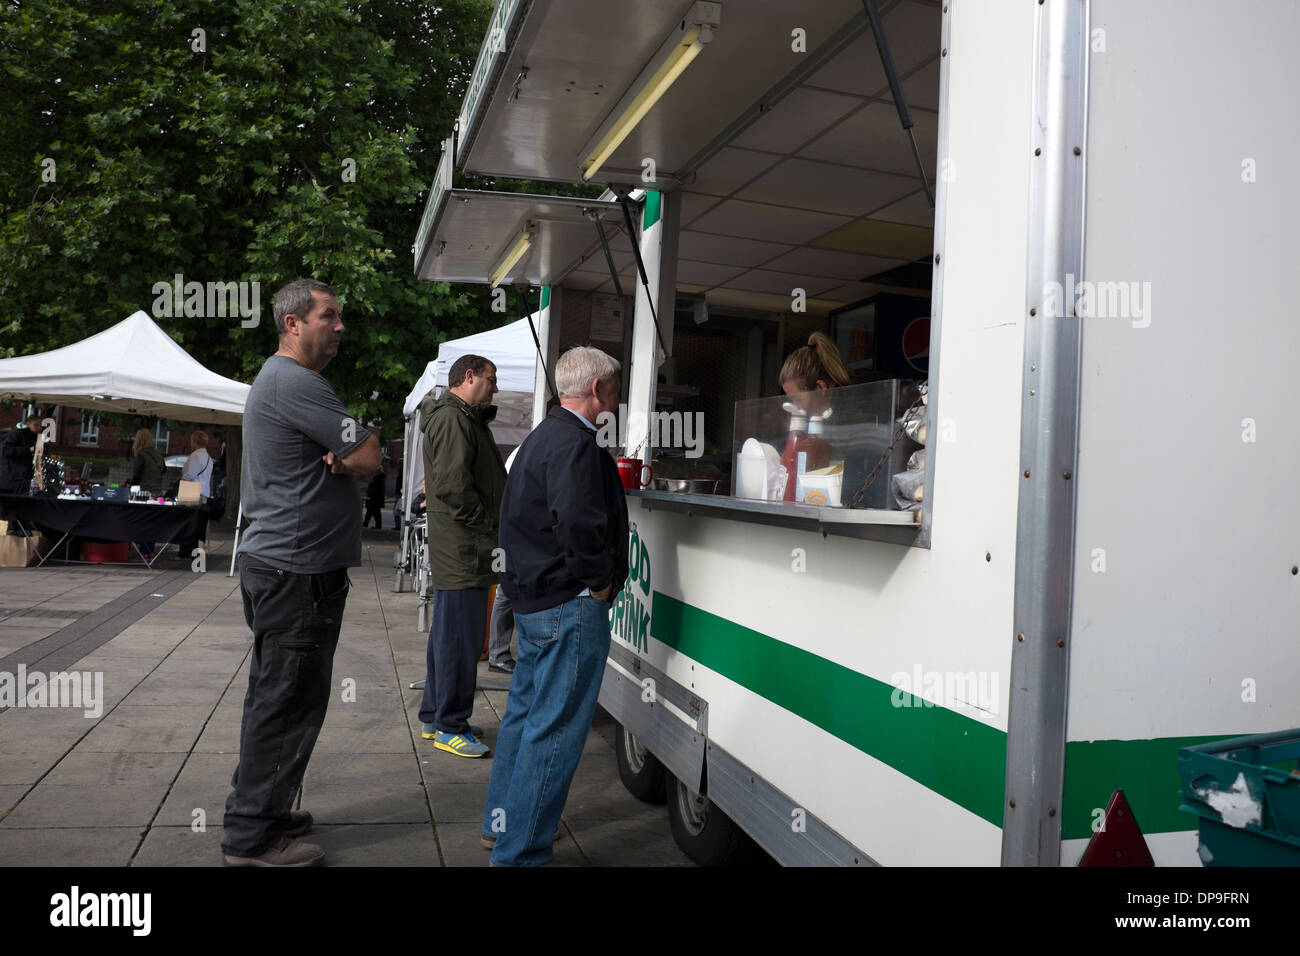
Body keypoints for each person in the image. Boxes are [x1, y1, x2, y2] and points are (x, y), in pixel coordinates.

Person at [221, 278, 381, 867]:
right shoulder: (297, 382)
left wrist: (356, 449)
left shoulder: (287, 382)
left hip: (288, 569)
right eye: (329, 317)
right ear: (293, 323)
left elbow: (363, 449)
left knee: (280, 696)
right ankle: (251, 838)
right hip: (296, 574)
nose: (340, 327)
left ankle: (266, 806)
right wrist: (354, 452)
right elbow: (369, 452)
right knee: (284, 702)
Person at [480, 346, 628, 866]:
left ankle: (501, 828)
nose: (617, 398)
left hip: (536, 600)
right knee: (555, 731)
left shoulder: (543, 437)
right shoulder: (577, 445)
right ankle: (520, 853)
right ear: (596, 391)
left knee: (525, 719)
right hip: (568, 603)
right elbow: (579, 524)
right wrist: (601, 582)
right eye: (614, 388)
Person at [418, 354, 506, 758]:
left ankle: (436, 716)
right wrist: (487, 523)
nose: (495, 388)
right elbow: (455, 486)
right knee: (460, 641)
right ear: (468, 377)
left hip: (462, 546)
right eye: (490, 380)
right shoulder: (454, 419)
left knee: (448, 637)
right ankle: (450, 725)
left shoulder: (458, 417)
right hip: (465, 547)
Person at [778, 330, 852, 414]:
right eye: (791, 400)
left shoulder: (852, 412)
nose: (795, 408)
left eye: (797, 399)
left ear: (820, 388)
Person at [130, 428, 166, 558]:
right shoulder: (158, 454)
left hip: (144, 493)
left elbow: (136, 475)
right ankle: (149, 550)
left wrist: (130, 486)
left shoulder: (141, 455)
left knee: (143, 522)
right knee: (153, 522)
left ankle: (144, 551)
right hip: (158, 493)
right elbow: (164, 470)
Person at [0, 413, 42, 495]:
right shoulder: (16, 433)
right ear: (28, 424)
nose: (39, 428)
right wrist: (28, 450)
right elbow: (5, 451)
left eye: (40, 426)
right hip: (12, 479)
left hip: (21, 478)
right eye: (36, 425)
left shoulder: (31, 437)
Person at [363, 464, 386, 529]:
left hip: (375, 499)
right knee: (373, 512)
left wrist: (370, 495)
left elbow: (375, 490)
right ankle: (367, 523)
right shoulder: (378, 478)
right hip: (374, 499)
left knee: (374, 512)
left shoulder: (378, 479)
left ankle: (368, 523)